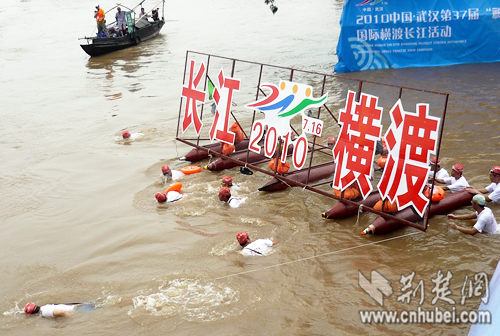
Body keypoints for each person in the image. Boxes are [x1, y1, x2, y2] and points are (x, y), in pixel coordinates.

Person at [24, 302, 94, 318]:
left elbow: (62, 313)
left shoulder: (45, 312)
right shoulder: (44, 307)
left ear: (33, 314)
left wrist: (74, 318)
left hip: (80, 310)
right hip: (78, 307)